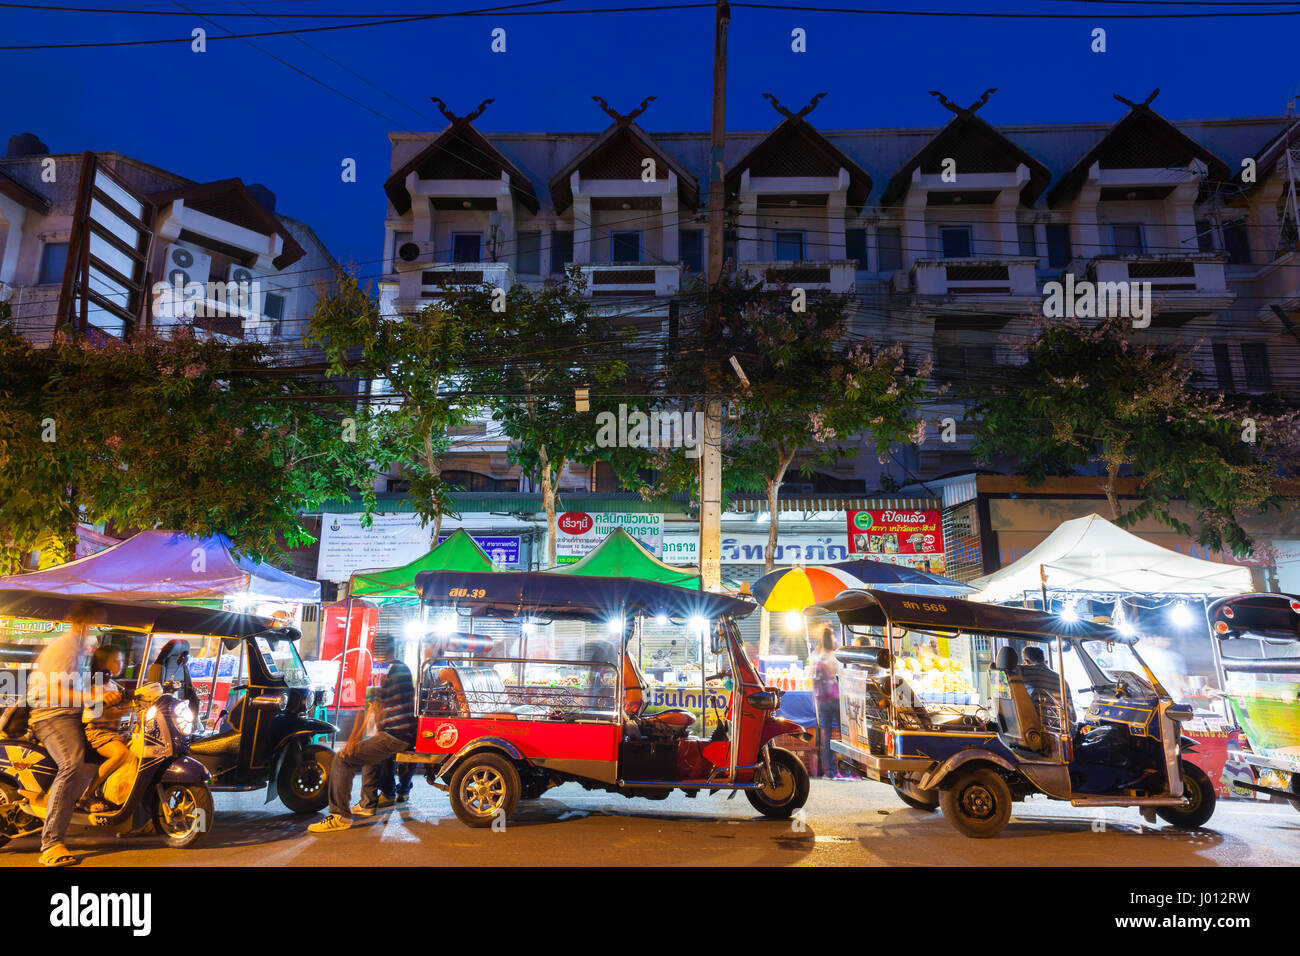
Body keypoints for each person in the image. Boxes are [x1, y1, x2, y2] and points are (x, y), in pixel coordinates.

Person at [25, 603, 116, 867]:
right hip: (51, 716)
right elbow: (50, 692)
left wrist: (104, 701)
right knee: (72, 764)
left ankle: (85, 800)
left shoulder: (80, 649)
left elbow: (75, 690)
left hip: (70, 714)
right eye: (98, 619)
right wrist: (92, 696)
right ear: (83, 620)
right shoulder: (63, 648)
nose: (101, 624)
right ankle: (52, 843)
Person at [308, 658, 416, 833]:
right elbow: (372, 710)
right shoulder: (399, 671)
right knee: (369, 756)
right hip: (401, 734)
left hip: (395, 735)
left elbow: (367, 710)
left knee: (342, 759)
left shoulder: (389, 673)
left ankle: (339, 817)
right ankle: (367, 804)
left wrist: (353, 741)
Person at [78, 645, 132, 814]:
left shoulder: (114, 685)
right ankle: (85, 795)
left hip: (114, 733)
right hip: (97, 732)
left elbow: (116, 711)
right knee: (121, 754)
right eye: (116, 661)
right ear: (102, 664)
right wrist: (124, 709)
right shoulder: (93, 685)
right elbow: (93, 714)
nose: (120, 665)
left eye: (122, 661)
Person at [809, 626, 842, 779]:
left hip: (822, 700)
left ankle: (829, 770)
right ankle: (846, 769)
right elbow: (841, 676)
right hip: (836, 699)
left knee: (827, 736)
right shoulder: (835, 657)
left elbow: (811, 677)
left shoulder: (815, 656)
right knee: (843, 735)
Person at [1021, 645, 1075, 730]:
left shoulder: (1024, 670)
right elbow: (1073, 716)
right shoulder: (1062, 680)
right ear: (1045, 661)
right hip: (1064, 731)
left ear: (1027, 662)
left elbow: (999, 669)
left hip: (1041, 732)